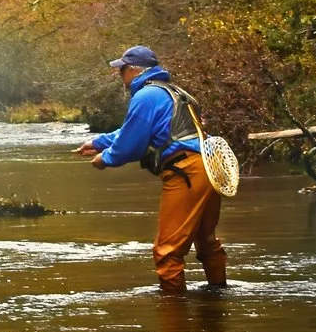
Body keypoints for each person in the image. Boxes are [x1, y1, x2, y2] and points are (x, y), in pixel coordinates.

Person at [77, 45, 228, 294]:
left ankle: (174, 319)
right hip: (209, 168)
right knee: (206, 241)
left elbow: (130, 146)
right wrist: (97, 142)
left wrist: (105, 159)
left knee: (167, 253)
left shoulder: (145, 96)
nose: (120, 75)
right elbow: (134, 128)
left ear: (136, 70)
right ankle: (218, 301)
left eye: (122, 69)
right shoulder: (176, 92)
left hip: (185, 171)